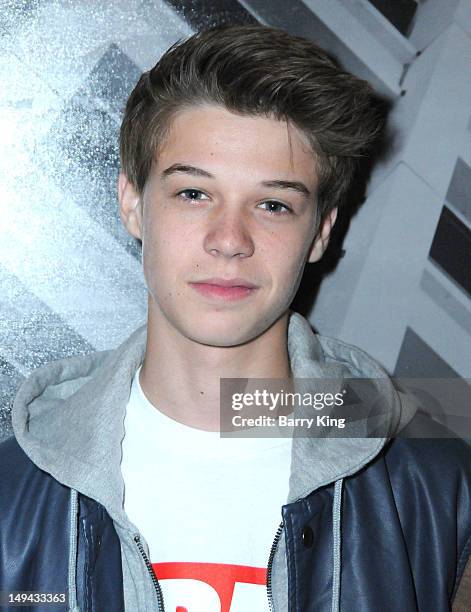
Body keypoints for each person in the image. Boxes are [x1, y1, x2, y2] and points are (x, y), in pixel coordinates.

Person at [0, 24, 470, 612]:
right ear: (131, 203)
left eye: (273, 205)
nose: (230, 240)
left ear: (320, 232)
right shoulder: (10, 500)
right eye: (194, 194)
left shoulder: (440, 491)